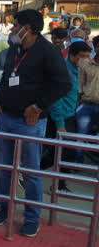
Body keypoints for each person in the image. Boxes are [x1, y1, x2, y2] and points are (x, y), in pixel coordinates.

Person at [0, 9, 71, 237]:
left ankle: (31, 218)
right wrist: (0, 101)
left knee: (30, 173)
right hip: (6, 118)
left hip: (30, 123)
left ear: (30, 29)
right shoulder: (14, 48)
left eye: (17, 25)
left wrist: (38, 106)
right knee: (5, 169)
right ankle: (4, 209)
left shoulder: (48, 51)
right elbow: (7, 76)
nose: (13, 29)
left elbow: (63, 84)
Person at [41, 40, 91, 191]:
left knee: (63, 153)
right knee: (60, 152)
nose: (86, 60)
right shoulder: (63, 71)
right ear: (73, 56)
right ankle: (28, 172)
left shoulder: (80, 70)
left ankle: (58, 184)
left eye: (88, 56)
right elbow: (56, 99)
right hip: (60, 117)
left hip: (71, 115)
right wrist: (60, 124)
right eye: (83, 56)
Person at [75, 35, 99, 163]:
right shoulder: (85, 64)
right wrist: (77, 105)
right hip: (86, 105)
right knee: (80, 135)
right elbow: (80, 86)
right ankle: (78, 164)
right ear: (95, 47)